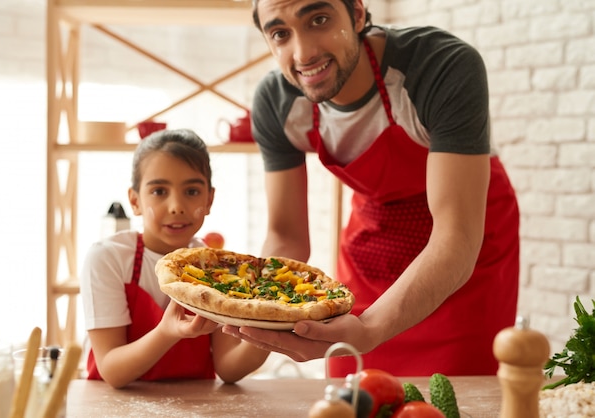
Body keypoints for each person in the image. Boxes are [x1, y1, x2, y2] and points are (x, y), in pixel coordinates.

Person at [222, 0, 520, 377]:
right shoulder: (277, 101)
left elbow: (456, 238)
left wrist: (370, 328)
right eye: (280, 33)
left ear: (358, 13)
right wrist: (258, 317)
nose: (303, 53)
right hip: (373, 245)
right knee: (352, 394)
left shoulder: (440, 66)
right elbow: (286, 237)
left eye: (319, 19)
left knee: (457, 395)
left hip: (465, 255)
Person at [80, 129, 269, 388]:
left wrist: (271, 328)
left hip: (195, 408)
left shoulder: (219, 269)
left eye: (192, 191)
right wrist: (167, 332)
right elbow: (112, 370)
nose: (176, 206)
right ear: (135, 201)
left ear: (209, 199)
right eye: (159, 191)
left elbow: (228, 367)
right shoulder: (107, 258)